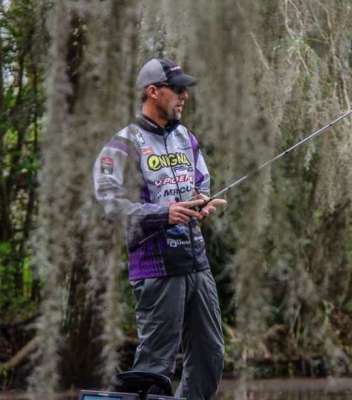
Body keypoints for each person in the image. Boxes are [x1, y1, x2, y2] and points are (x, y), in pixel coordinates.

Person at [93, 58, 226, 400]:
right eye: (177, 89)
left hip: (196, 263)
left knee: (210, 357)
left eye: (185, 90)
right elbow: (109, 203)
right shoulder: (123, 144)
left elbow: (200, 182)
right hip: (156, 268)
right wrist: (163, 214)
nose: (184, 96)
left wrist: (201, 202)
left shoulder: (186, 138)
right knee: (154, 368)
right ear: (153, 92)